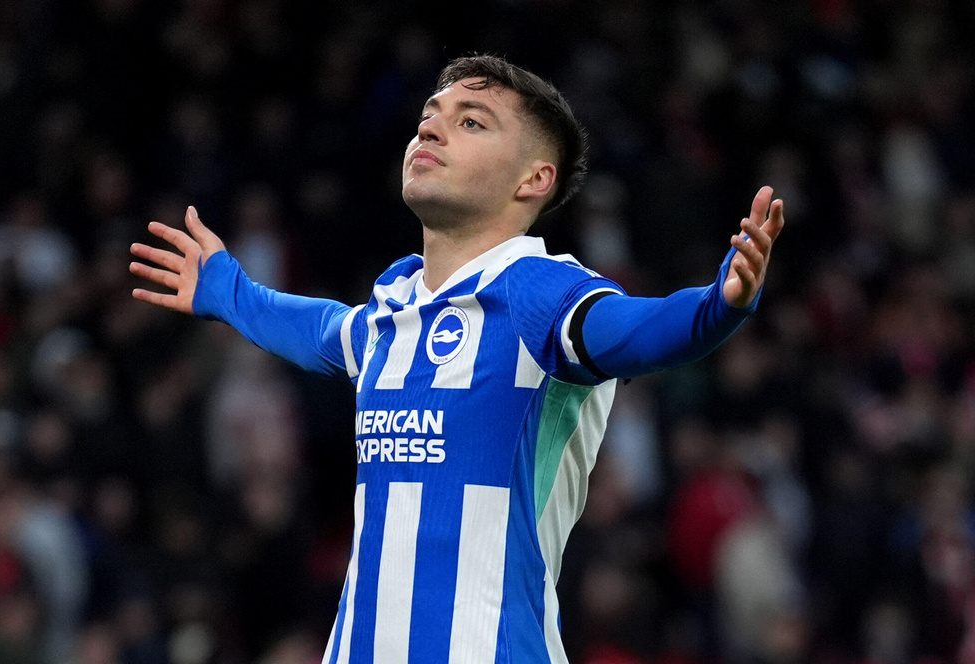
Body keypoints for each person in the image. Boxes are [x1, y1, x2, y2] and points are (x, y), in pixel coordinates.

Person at [129, 55, 783, 664]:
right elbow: (324, 329)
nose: (432, 132)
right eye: (428, 120)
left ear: (534, 179)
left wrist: (716, 307)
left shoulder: (540, 294)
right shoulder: (394, 306)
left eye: (471, 122)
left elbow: (636, 330)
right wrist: (231, 292)